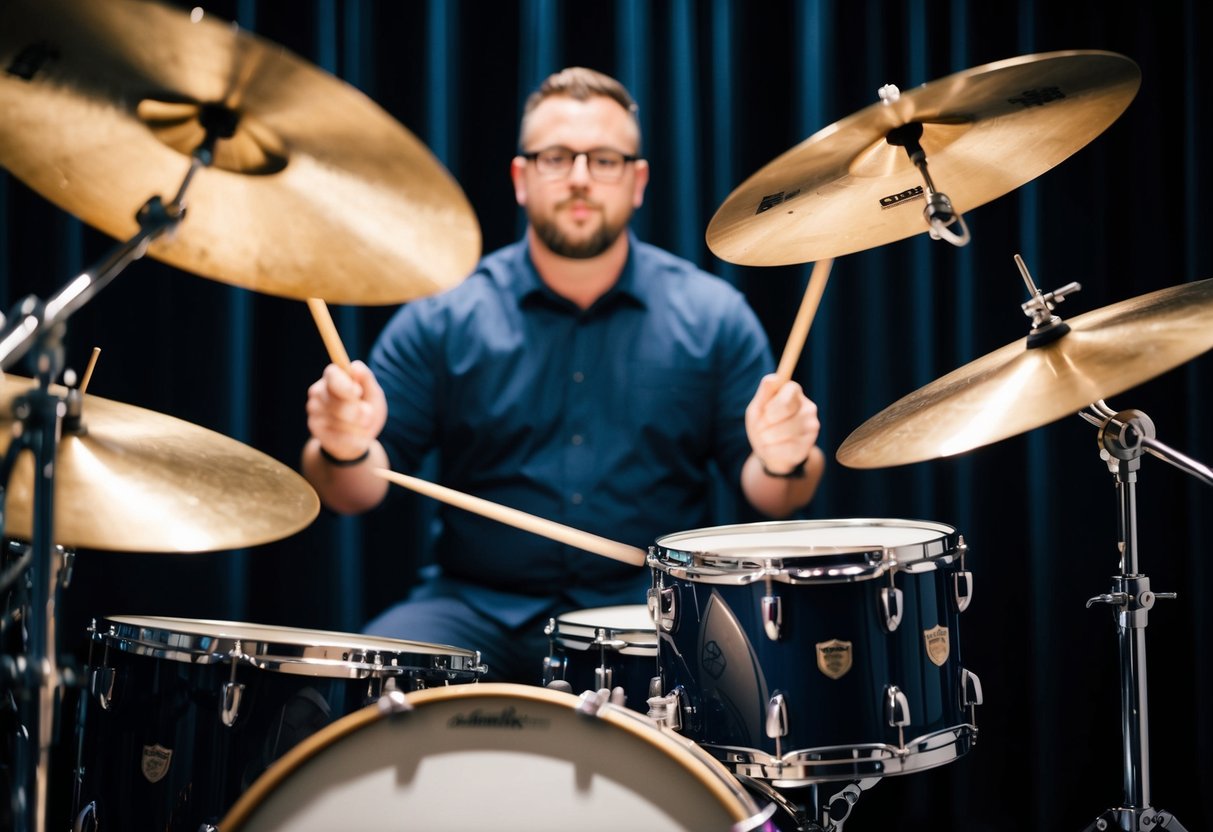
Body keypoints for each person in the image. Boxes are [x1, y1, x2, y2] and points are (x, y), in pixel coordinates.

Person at [301, 67, 824, 684]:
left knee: (743, 687)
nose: (579, 178)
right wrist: (340, 446)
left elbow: (778, 494)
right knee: (354, 681)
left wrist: (785, 458)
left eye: (604, 159)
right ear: (522, 179)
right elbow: (348, 490)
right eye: (556, 157)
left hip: (650, 611)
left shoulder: (712, 317)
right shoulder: (446, 314)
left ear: (637, 181)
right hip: (472, 607)